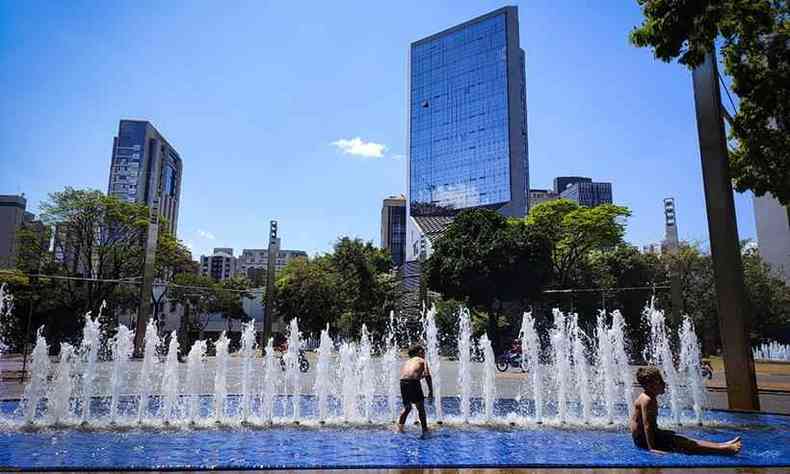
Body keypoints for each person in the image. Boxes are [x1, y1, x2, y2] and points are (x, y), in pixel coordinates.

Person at [630, 366, 742, 455]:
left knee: (685, 440)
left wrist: (659, 433)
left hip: (647, 436)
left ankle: (722, 445)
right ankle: (725, 449)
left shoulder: (647, 397)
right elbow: (647, 425)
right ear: (651, 386)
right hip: (643, 441)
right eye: (660, 381)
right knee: (686, 443)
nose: (664, 384)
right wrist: (652, 448)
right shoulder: (648, 400)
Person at [397, 344, 434, 439]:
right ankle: (425, 430)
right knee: (420, 407)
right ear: (418, 352)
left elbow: (409, 374)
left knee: (407, 407)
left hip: (403, 382)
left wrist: (417, 378)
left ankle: (400, 429)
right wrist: (430, 391)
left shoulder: (408, 361)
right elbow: (427, 375)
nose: (424, 353)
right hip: (413, 382)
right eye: (423, 351)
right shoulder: (422, 360)